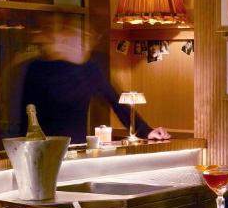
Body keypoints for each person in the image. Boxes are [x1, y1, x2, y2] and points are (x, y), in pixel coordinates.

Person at [19, 17, 170, 143]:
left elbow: (117, 102)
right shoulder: (36, 68)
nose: (84, 45)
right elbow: (24, 116)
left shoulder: (90, 70)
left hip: (75, 149)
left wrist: (147, 131)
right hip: (41, 148)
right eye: (78, 38)